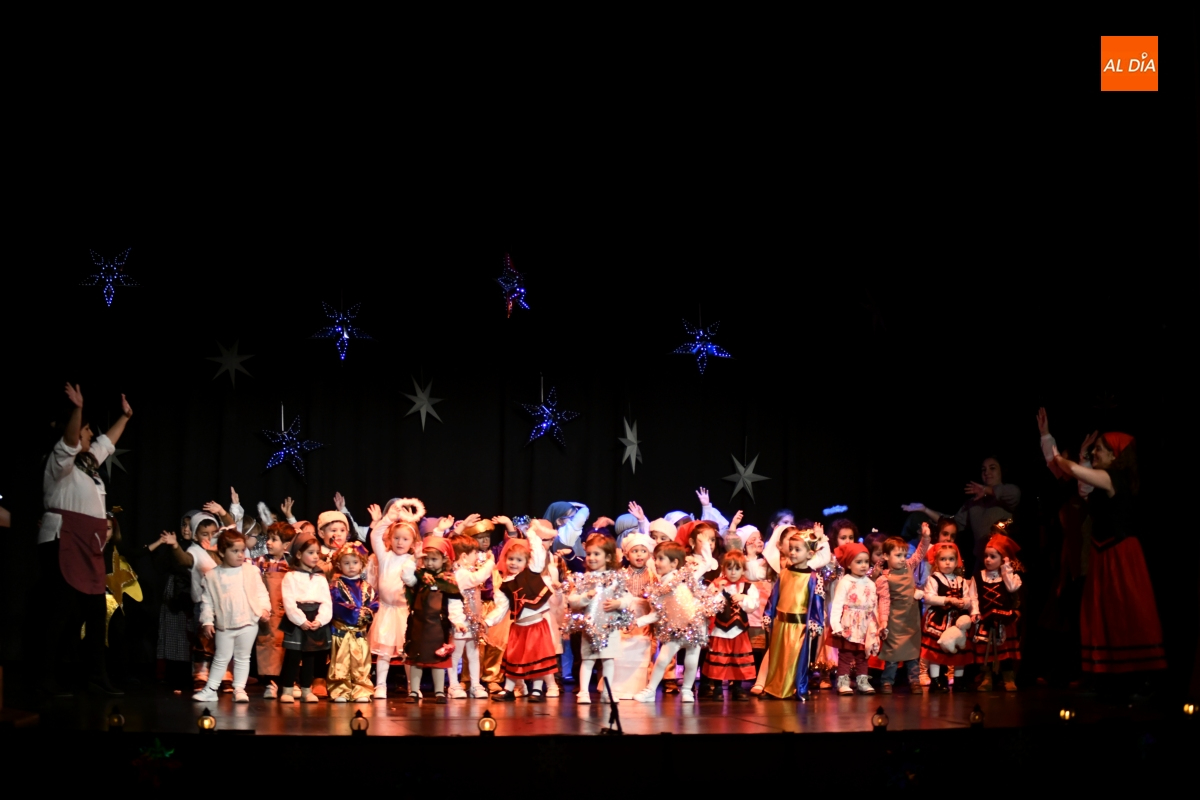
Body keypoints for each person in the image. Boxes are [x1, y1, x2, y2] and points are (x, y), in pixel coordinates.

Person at [1041, 410, 1166, 693]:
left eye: (1099, 449)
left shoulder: (1113, 478)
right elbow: (1075, 476)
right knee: (1103, 612)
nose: (1094, 452)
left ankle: (1135, 677)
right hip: (1103, 554)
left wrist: (1066, 458)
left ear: (1114, 455)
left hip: (1120, 554)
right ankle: (1110, 677)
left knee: (1124, 610)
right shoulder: (1100, 481)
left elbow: (1073, 470)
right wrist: (1049, 440)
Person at [39, 383, 131, 696]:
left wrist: (125, 417)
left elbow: (106, 443)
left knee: (95, 612)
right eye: (86, 429)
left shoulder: (88, 464)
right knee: (60, 613)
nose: (91, 434)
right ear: (74, 431)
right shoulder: (59, 462)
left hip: (88, 546)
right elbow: (70, 442)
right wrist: (78, 409)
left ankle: (96, 676)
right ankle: (46, 678)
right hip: (63, 541)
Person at [632, 540, 725, 703]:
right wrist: (638, 622)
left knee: (692, 661)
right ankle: (650, 690)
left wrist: (705, 547)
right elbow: (657, 613)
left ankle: (687, 690)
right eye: (655, 558)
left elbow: (705, 566)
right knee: (662, 659)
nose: (656, 563)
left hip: (695, 626)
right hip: (675, 629)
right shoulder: (660, 588)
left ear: (674, 563)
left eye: (661, 559)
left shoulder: (684, 578)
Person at [902, 456, 1021, 571]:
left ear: (1002, 471)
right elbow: (952, 523)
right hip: (982, 561)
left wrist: (986, 490)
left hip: (1005, 561)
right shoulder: (973, 503)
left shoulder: (1007, 495)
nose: (987, 472)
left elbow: (1013, 494)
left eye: (992, 468)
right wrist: (925, 510)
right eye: (983, 469)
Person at [192, 530, 271, 703]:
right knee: (221, 657)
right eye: (235, 551)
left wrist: (265, 609)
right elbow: (207, 602)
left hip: (249, 621)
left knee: (243, 657)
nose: (240, 555)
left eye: (242, 550)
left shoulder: (250, 571)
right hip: (225, 624)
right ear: (222, 552)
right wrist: (207, 621)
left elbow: (261, 592)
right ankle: (211, 689)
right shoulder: (212, 576)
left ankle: (239, 689)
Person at [486, 526, 559, 702]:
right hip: (518, 628)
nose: (513, 563)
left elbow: (539, 553)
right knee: (514, 657)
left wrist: (531, 533)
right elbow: (501, 608)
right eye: (510, 559)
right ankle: (509, 690)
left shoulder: (532, 572)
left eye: (519, 560)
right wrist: (487, 621)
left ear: (526, 562)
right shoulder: (504, 585)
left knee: (537, 658)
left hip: (536, 626)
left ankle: (537, 690)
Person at [566, 534, 634, 703]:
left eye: (596, 554)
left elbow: (628, 598)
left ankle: (607, 691)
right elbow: (573, 600)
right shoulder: (584, 579)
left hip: (609, 627)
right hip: (590, 627)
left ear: (608, 557)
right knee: (587, 660)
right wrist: (585, 597)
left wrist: (618, 603)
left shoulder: (615, 579)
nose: (591, 558)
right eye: (589, 554)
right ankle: (583, 692)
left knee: (608, 660)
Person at [366, 506, 419, 699]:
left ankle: (413, 686)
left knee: (408, 652)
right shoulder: (385, 557)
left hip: (405, 611)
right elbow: (375, 535)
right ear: (390, 539)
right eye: (396, 538)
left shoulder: (413, 559)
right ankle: (380, 685)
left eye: (405, 539)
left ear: (413, 542)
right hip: (386, 610)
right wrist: (388, 518)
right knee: (384, 650)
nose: (400, 542)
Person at [402, 536, 459, 704]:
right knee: (416, 659)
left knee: (438, 660)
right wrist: (413, 559)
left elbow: (454, 604)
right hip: (418, 625)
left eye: (434, 559)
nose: (429, 563)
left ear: (444, 560)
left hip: (438, 627)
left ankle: (439, 691)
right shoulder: (419, 577)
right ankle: (414, 691)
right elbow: (406, 577)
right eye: (426, 559)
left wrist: (458, 621)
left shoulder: (448, 581)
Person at [876, 524, 931, 693]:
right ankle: (887, 681)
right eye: (898, 555)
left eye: (904, 555)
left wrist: (925, 537)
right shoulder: (885, 579)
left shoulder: (908, 566)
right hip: (895, 622)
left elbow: (920, 553)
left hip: (911, 620)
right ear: (886, 556)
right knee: (893, 654)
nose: (902, 559)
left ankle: (914, 681)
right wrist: (883, 622)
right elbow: (884, 601)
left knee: (912, 652)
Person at [279, 531, 333, 703]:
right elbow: (289, 602)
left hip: (315, 617)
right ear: (299, 554)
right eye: (311, 552)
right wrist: (300, 620)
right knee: (293, 656)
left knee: (311, 656)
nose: (316, 556)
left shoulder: (320, 577)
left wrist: (321, 620)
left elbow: (326, 601)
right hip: (298, 618)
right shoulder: (291, 576)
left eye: (317, 552)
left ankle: (306, 689)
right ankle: (287, 689)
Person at [700, 550, 759, 700]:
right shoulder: (716, 585)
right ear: (724, 568)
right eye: (730, 568)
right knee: (720, 659)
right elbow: (709, 607)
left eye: (737, 568)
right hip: (720, 630)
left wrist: (743, 598)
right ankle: (718, 687)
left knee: (738, 659)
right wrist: (718, 592)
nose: (733, 572)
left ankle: (738, 687)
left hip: (739, 630)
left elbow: (753, 606)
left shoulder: (748, 587)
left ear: (743, 570)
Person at [972, 525, 1023, 692]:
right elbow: (973, 596)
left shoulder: (1009, 577)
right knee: (986, 651)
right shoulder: (979, 576)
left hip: (1004, 619)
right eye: (986, 556)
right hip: (986, 619)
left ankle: (1008, 677)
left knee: (1005, 651)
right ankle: (987, 677)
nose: (988, 560)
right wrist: (975, 612)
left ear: (1002, 559)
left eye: (993, 556)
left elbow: (1012, 588)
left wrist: (1006, 568)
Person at [920, 542, 977, 691]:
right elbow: (928, 597)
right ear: (936, 562)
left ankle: (958, 680)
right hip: (939, 619)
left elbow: (968, 599)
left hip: (957, 621)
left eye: (951, 559)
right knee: (936, 651)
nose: (947, 563)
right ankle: (936, 680)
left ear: (956, 561)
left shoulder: (961, 581)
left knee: (960, 650)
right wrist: (947, 600)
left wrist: (963, 603)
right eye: (943, 559)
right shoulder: (934, 579)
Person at [446, 534, 496, 699]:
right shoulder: (460, 573)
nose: (477, 556)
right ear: (463, 556)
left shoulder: (466, 571)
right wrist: (490, 562)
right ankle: (453, 685)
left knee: (473, 654)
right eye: (475, 553)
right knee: (456, 654)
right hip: (460, 621)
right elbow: (477, 578)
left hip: (472, 620)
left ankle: (475, 684)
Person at [830, 542, 883, 695]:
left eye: (866, 561)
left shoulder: (871, 583)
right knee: (846, 654)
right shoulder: (845, 582)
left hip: (865, 625)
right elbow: (837, 604)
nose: (863, 565)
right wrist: (836, 625)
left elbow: (874, 605)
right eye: (859, 562)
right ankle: (843, 682)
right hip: (849, 624)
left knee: (863, 654)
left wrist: (878, 625)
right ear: (849, 564)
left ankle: (862, 681)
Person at [612, 532, 656, 699]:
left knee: (641, 651)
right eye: (635, 551)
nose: (639, 555)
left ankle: (638, 687)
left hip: (644, 617)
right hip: (625, 615)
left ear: (649, 555)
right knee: (622, 650)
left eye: (643, 551)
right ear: (626, 554)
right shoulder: (621, 574)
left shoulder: (653, 576)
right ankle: (618, 688)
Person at [254, 522, 294, 700]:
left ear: (286, 545)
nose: (269, 543)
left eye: (274, 539)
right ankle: (270, 683)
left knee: (288, 646)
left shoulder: (292, 563)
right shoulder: (260, 562)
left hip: (288, 612)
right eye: (268, 539)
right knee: (268, 644)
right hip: (268, 613)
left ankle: (290, 682)